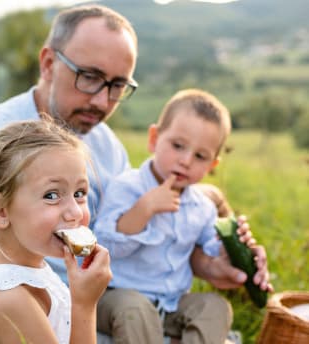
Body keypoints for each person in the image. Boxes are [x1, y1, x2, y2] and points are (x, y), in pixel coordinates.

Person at [0, 5, 271, 343]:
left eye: (117, 86)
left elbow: (132, 238)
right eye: (89, 77)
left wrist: (211, 264)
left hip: (93, 314)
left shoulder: (104, 145)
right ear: (47, 63)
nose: (102, 101)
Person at [93, 89, 273, 344]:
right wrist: (144, 210)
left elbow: (213, 250)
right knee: (135, 309)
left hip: (171, 303)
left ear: (212, 166)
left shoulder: (202, 206)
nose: (186, 160)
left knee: (215, 307)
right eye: (177, 146)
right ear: (154, 139)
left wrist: (236, 247)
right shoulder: (127, 187)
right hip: (116, 298)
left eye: (200, 156)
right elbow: (105, 248)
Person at [0, 119, 112, 343]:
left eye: (79, 193)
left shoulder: (21, 266)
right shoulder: (8, 300)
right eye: (52, 195)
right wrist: (85, 305)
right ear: (0, 211)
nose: (75, 212)